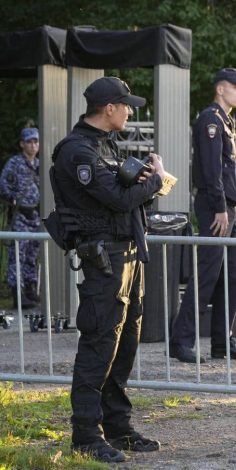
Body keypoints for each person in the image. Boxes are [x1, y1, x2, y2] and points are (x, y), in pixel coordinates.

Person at [48, 76, 167, 462]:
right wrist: (157, 181)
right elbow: (116, 199)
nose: (130, 111)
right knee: (100, 343)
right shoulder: (77, 152)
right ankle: (85, 433)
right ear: (109, 109)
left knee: (125, 344)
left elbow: (126, 197)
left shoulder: (106, 145)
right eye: (126, 105)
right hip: (104, 260)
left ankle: (117, 426)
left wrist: (146, 185)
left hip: (128, 253)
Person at [170, 68, 236, 363]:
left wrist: (231, 210)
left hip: (230, 208)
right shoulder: (210, 119)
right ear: (221, 89)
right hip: (215, 206)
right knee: (207, 274)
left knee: (233, 276)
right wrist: (220, 207)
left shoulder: (227, 121)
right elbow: (210, 170)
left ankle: (223, 341)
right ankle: (181, 341)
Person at [0, 127, 41, 308]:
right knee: (18, 254)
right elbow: (3, 183)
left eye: (35, 142)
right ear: (22, 144)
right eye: (29, 142)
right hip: (20, 215)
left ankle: (30, 290)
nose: (33, 145)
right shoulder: (15, 163)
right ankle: (17, 293)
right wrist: (13, 200)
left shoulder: (39, 164)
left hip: (35, 215)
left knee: (33, 254)